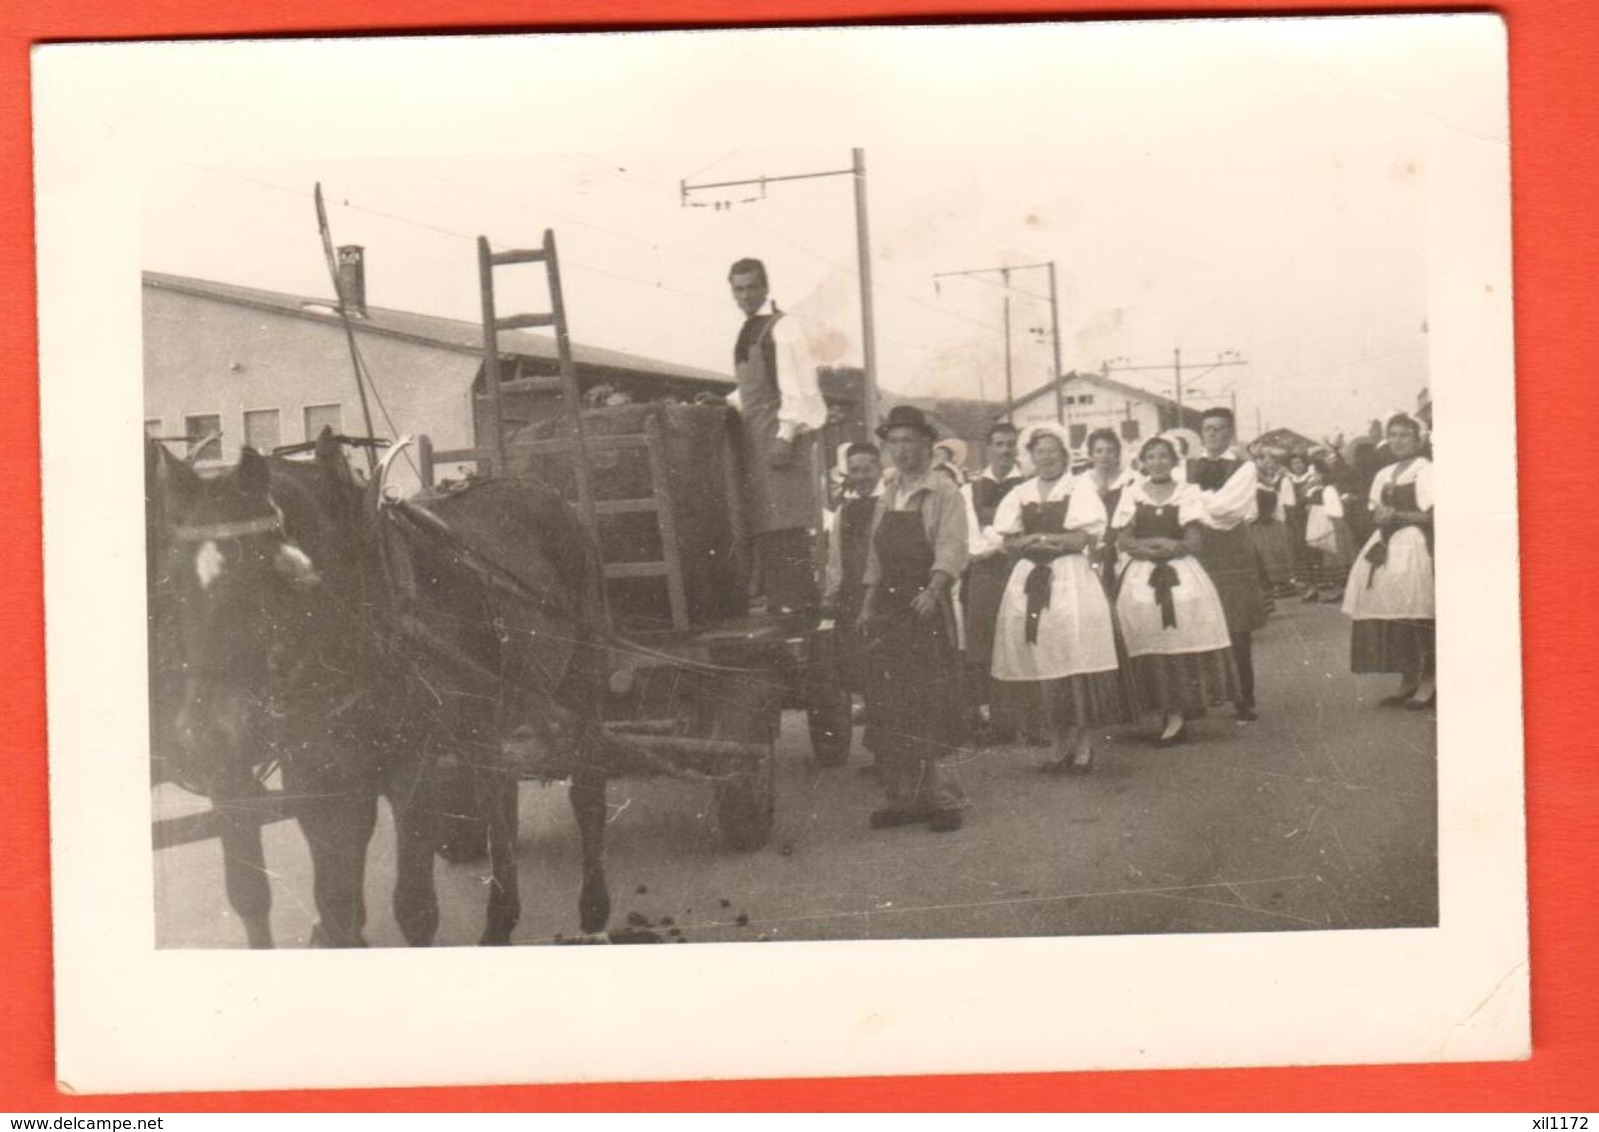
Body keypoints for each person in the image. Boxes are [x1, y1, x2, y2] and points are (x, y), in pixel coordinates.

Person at [856, 406, 970, 832]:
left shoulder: (943, 492)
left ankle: (943, 800)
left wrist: (934, 588)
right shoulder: (888, 494)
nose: (901, 450)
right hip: (887, 609)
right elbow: (874, 553)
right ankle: (903, 799)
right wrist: (868, 602)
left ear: (927, 445)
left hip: (925, 606)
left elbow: (953, 546)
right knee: (890, 704)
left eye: (910, 441)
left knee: (930, 702)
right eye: (895, 442)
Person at [990, 423, 1124, 774]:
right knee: (1041, 659)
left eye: (1052, 451)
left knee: (1072, 655)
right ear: (1030, 456)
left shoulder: (1079, 488)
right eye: (1039, 451)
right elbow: (1007, 540)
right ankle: (1057, 744)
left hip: (1068, 579)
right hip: (1030, 579)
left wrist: (1038, 539)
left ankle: (1083, 745)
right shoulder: (1021, 492)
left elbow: (1082, 537)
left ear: (1065, 455)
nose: (1046, 457)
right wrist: (1033, 542)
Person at [1108, 436, 1241, 746]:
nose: (1157, 462)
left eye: (1163, 456)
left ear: (1174, 460)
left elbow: (1194, 541)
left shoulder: (1187, 493)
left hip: (1180, 573)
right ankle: (1161, 709)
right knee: (1147, 636)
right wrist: (1147, 548)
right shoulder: (1132, 494)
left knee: (1178, 637)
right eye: (1150, 457)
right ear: (1142, 461)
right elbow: (1124, 540)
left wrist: (1170, 546)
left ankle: (1178, 713)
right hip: (1141, 576)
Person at [725, 257, 828, 617]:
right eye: (738, 288)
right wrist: (725, 402)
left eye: (752, 286)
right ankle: (779, 600)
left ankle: (797, 605)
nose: (746, 295)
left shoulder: (783, 328)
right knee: (766, 524)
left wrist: (785, 436)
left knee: (786, 523)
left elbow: (797, 389)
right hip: (757, 437)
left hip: (777, 438)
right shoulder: (750, 329)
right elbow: (751, 390)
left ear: (766, 287)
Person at [1342, 413, 1435, 707]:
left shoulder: (1427, 471)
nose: (1397, 441)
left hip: (1417, 544)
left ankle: (1429, 680)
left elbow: (1433, 515)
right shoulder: (1385, 473)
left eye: (1404, 435)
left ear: (1418, 439)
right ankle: (1408, 678)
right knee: (1395, 613)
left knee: (1418, 612)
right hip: (1388, 544)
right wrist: (1380, 516)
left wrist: (1398, 515)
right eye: (1392, 435)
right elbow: (1376, 509)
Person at [1186, 408, 1265, 721]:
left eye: (1219, 429)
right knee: (1195, 624)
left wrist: (1197, 501)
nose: (1213, 434)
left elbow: (1226, 510)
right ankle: (1199, 697)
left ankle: (1243, 698)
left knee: (1236, 627)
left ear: (1230, 432)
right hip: (1197, 551)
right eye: (1208, 429)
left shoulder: (1245, 467)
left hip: (1232, 553)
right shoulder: (1188, 465)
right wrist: (1200, 503)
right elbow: (1183, 503)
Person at [959, 421, 1027, 740]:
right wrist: (1002, 541)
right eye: (999, 444)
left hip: (1023, 570)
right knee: (983, 641)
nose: (1005, 450)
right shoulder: (969, 490)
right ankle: (989, 715)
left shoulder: (1030, 486)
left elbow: (1030, 530)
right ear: (988, 448)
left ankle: (1028, 716)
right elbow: (971, 542)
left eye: (1010, 444)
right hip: (985, 574)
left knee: (1023, 636)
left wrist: (1001, 540)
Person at [823, 442, 885, 764]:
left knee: (886, 674)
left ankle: (889, 753)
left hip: (882, 598)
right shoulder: (844, 512)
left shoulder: (890, 504)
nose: (861, 477)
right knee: (864, 675)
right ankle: (878, 754)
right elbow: (836, 559)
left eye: (867, 469)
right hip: (852, 598)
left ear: (879, 468)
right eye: (855, 471)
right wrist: (831, 598)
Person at [1081, 427, 1137, 593]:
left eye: (1110, 450)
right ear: (1091, 454)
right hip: (1091, 548)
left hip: (1122, 547)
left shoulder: (1131, 479)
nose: (1104, 456)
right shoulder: (1082, 482)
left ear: (1118, 453)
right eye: (1098, 451)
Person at [1301, 452, 1355, 603]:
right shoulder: (1315, 489)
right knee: (1317, 557)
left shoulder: (1328, 489)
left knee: (1332, 557)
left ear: (1322, 473)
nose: (1314, 477)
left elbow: (1335, 510)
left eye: (1316, 474)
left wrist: (1318, 509)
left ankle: (1337, 590)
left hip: (1329, 525)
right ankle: (1316, 589)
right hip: (1317, 525)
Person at [1251, 448, 1297, 598]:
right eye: (1262, 460)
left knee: (1272, 553)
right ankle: (1276, 585)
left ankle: (1281, 585)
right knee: (1267, 553)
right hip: (1260, 522)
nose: (1267, 463)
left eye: (1269, 460)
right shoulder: (1255, 483)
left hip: (1267, 523)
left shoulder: (1270, 483)